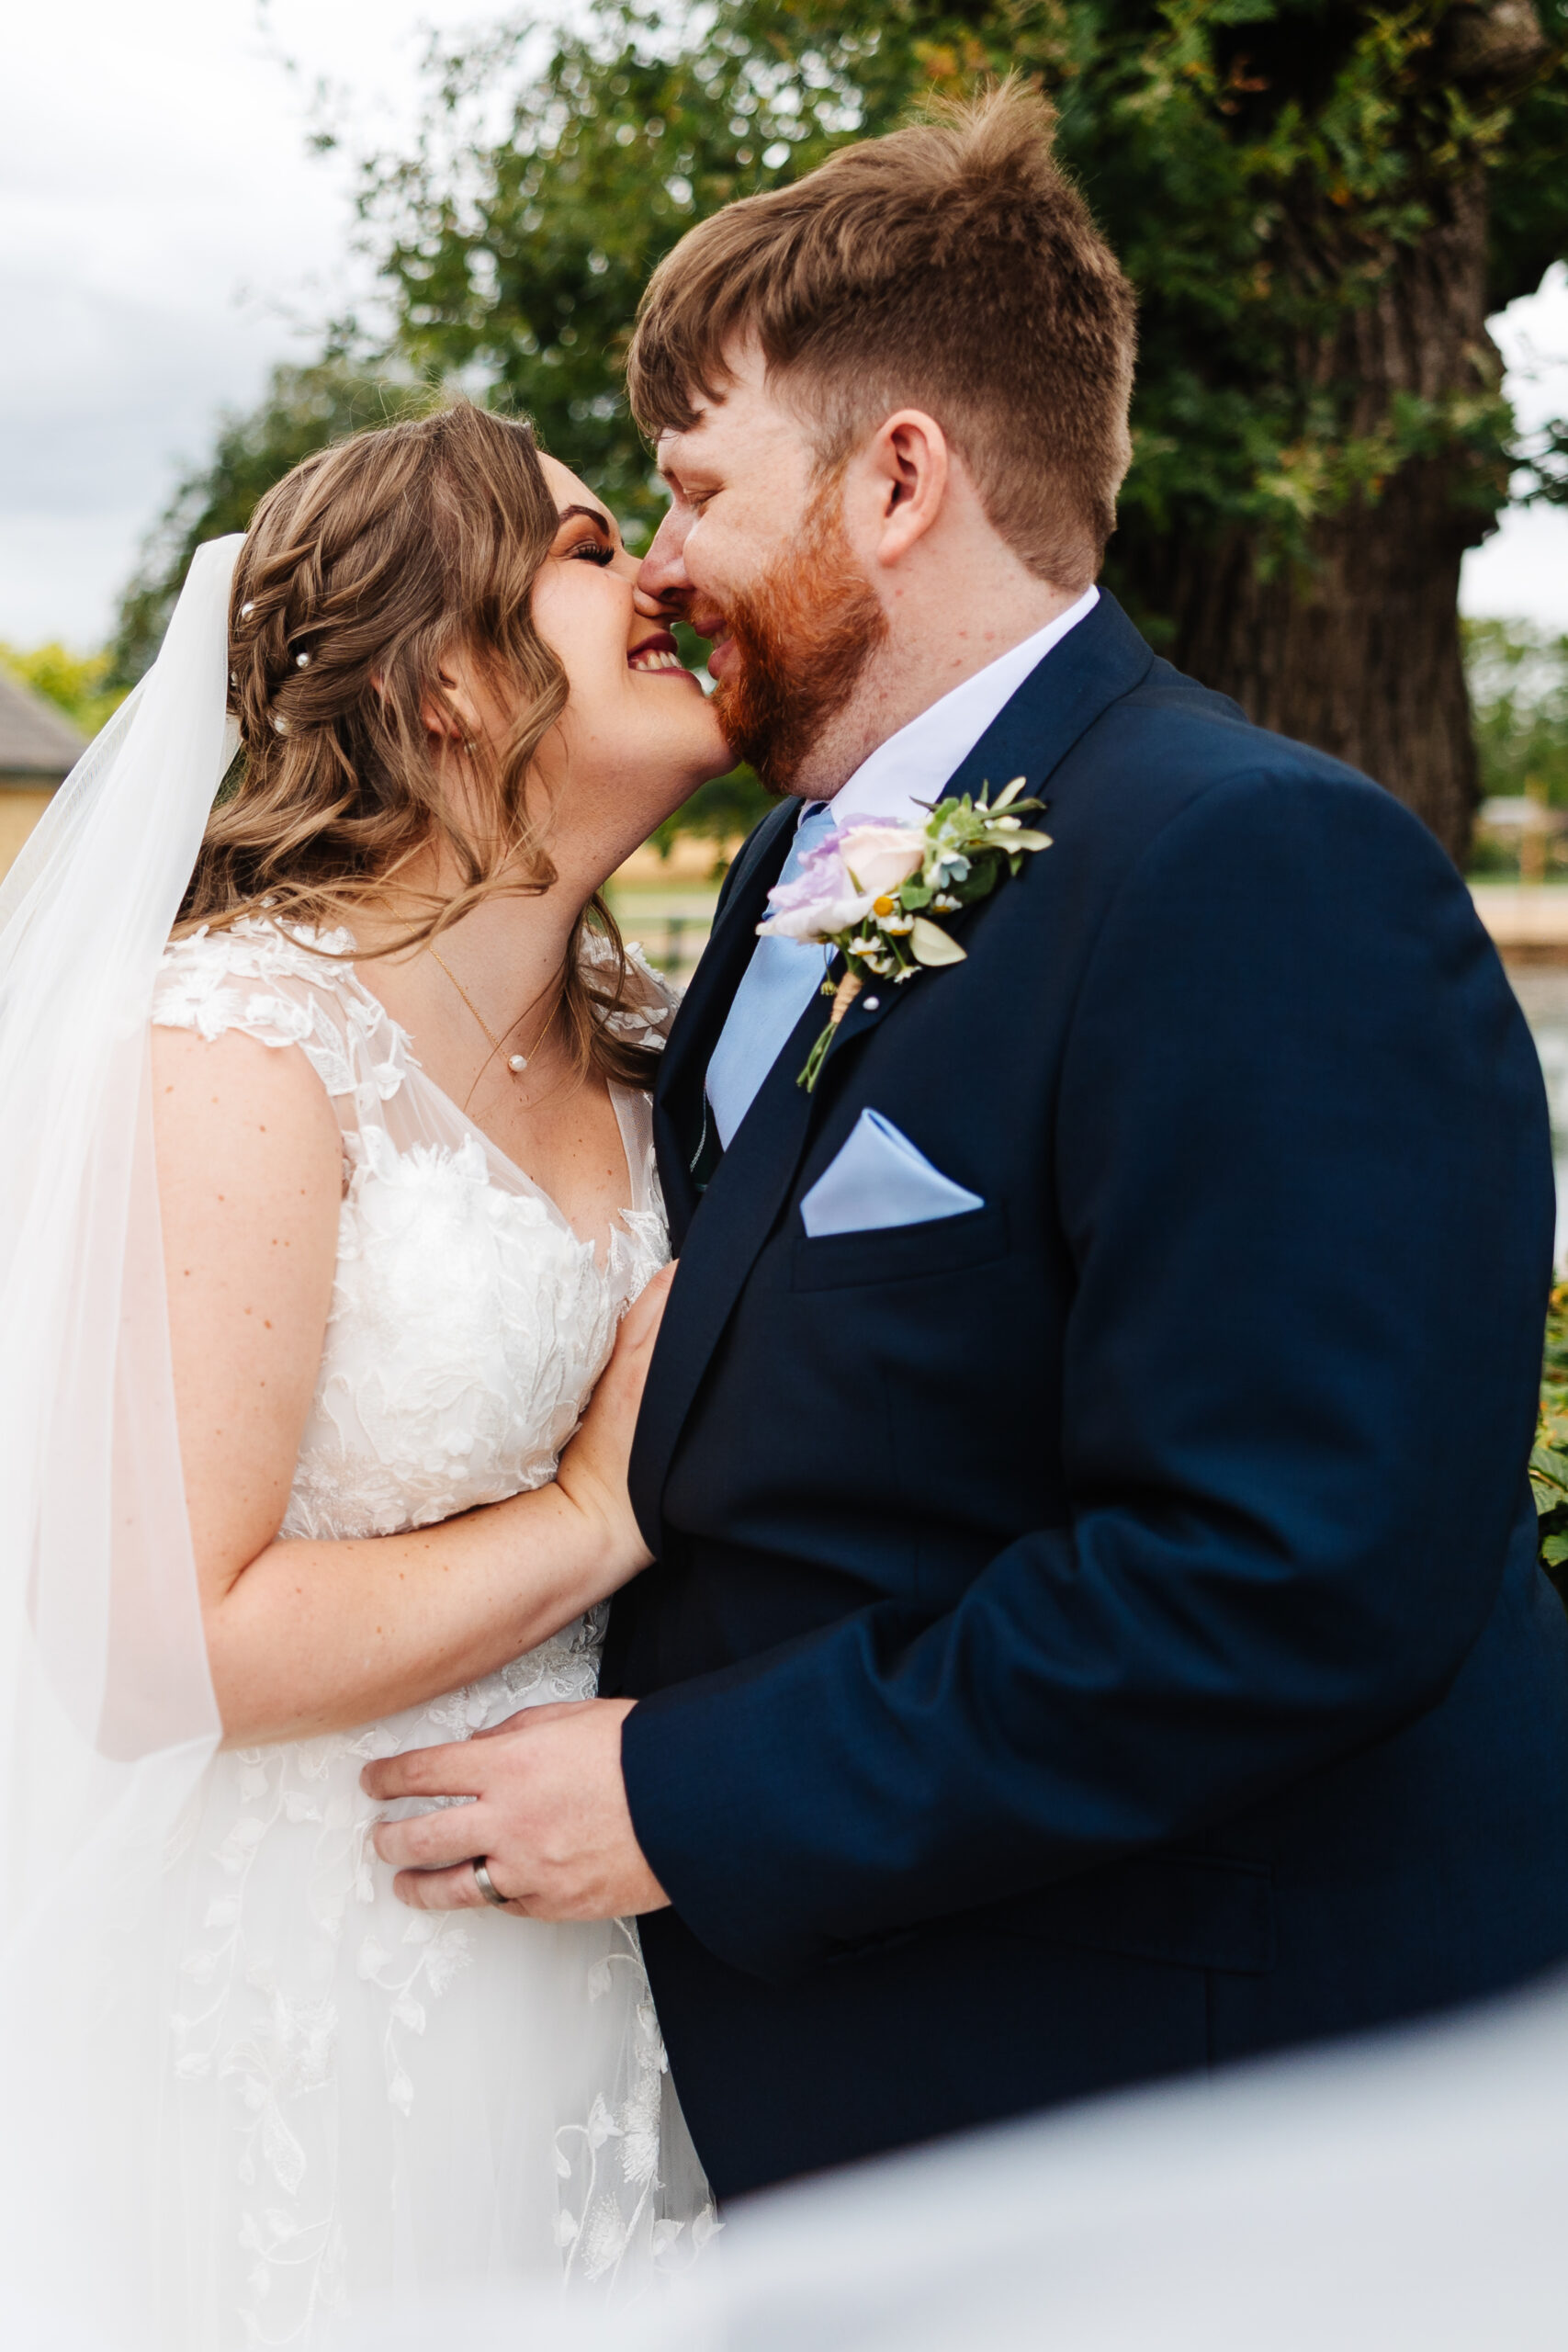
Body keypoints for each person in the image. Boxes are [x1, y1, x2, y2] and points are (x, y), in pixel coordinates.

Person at [367, 85, 1568, 2200]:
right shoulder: (777, 878)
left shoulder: (1249, 863)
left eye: (694, 489)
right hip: (824, 2081)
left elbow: (1286, 1569)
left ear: (896, 476)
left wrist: (686, 1791)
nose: (660, 567)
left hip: (1166, 2115)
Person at [0, 402, 725, 2348]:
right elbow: (169, 1641)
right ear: (451, 683)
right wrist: (588, 1514)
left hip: (612, 1957)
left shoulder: (665, 1039)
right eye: (585, 549)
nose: (659, 570)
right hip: (308, 1989)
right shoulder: (239, 1043)